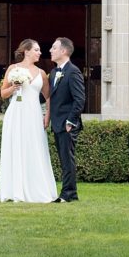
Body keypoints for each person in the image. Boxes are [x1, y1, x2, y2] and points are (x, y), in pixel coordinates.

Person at [0, 39, 58, 203]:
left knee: (35, 147)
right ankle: (14, 190)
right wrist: (13, 88)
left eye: (39, 50)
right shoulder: (13, 69)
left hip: (33, 114)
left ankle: (36, 188)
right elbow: (2, 94)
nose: (40, 53)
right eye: (37, 50)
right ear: (26, 51)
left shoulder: (41, 73)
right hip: (15, 114)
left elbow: (48, 97)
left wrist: (47, 115)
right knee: (16, 147)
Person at [48, 37, 86, 202]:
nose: (50, 50)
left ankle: (69, 194)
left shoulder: (73, 71)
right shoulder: (53, 73)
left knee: (67, 159)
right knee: (64, 160)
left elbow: (80, 99)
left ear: (63, 51)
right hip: (57, 124)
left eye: (54, 48)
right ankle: (68, 193)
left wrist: (70, 121)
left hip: (67, 124)